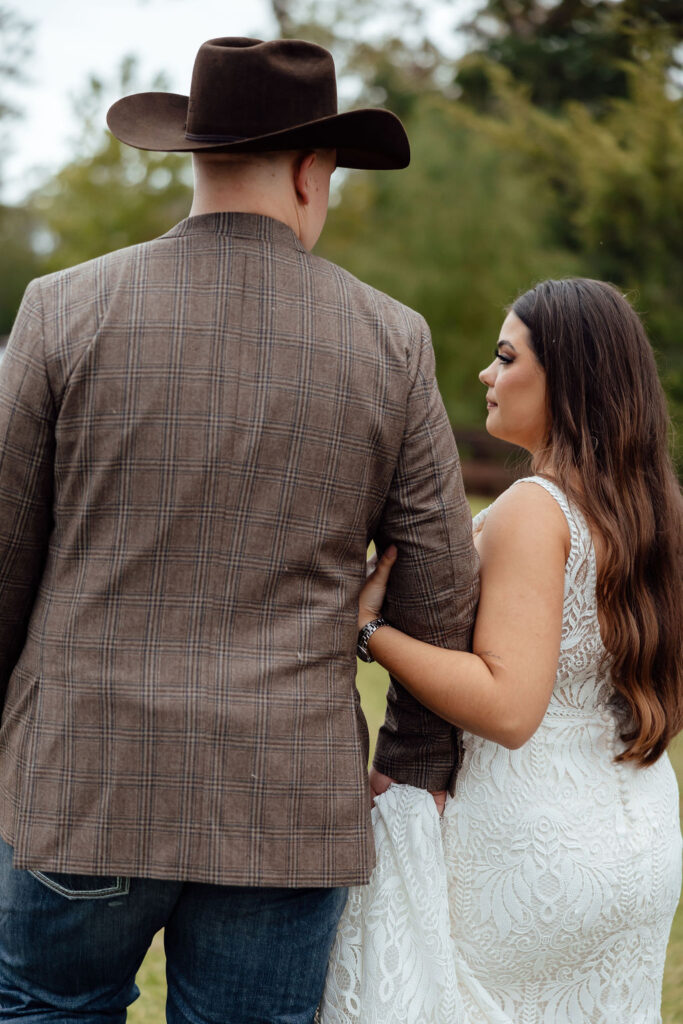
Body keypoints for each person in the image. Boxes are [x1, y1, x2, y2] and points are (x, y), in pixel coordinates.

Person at [0, 35, 479, 1024]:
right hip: (284, 801)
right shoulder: (390, 339)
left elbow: (4, 555)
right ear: (312, 171)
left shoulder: (61, 311)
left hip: (82, 779)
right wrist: (416, 762)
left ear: (194, 157)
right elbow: (438, 582)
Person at [319, 278, 683, 1023]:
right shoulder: (656, 507)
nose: (487, 375)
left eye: (505, 356)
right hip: (639, 838)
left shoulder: (534, 506)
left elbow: (509, 706)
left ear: (567, 379)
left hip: (534, 847)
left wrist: (369, 633)